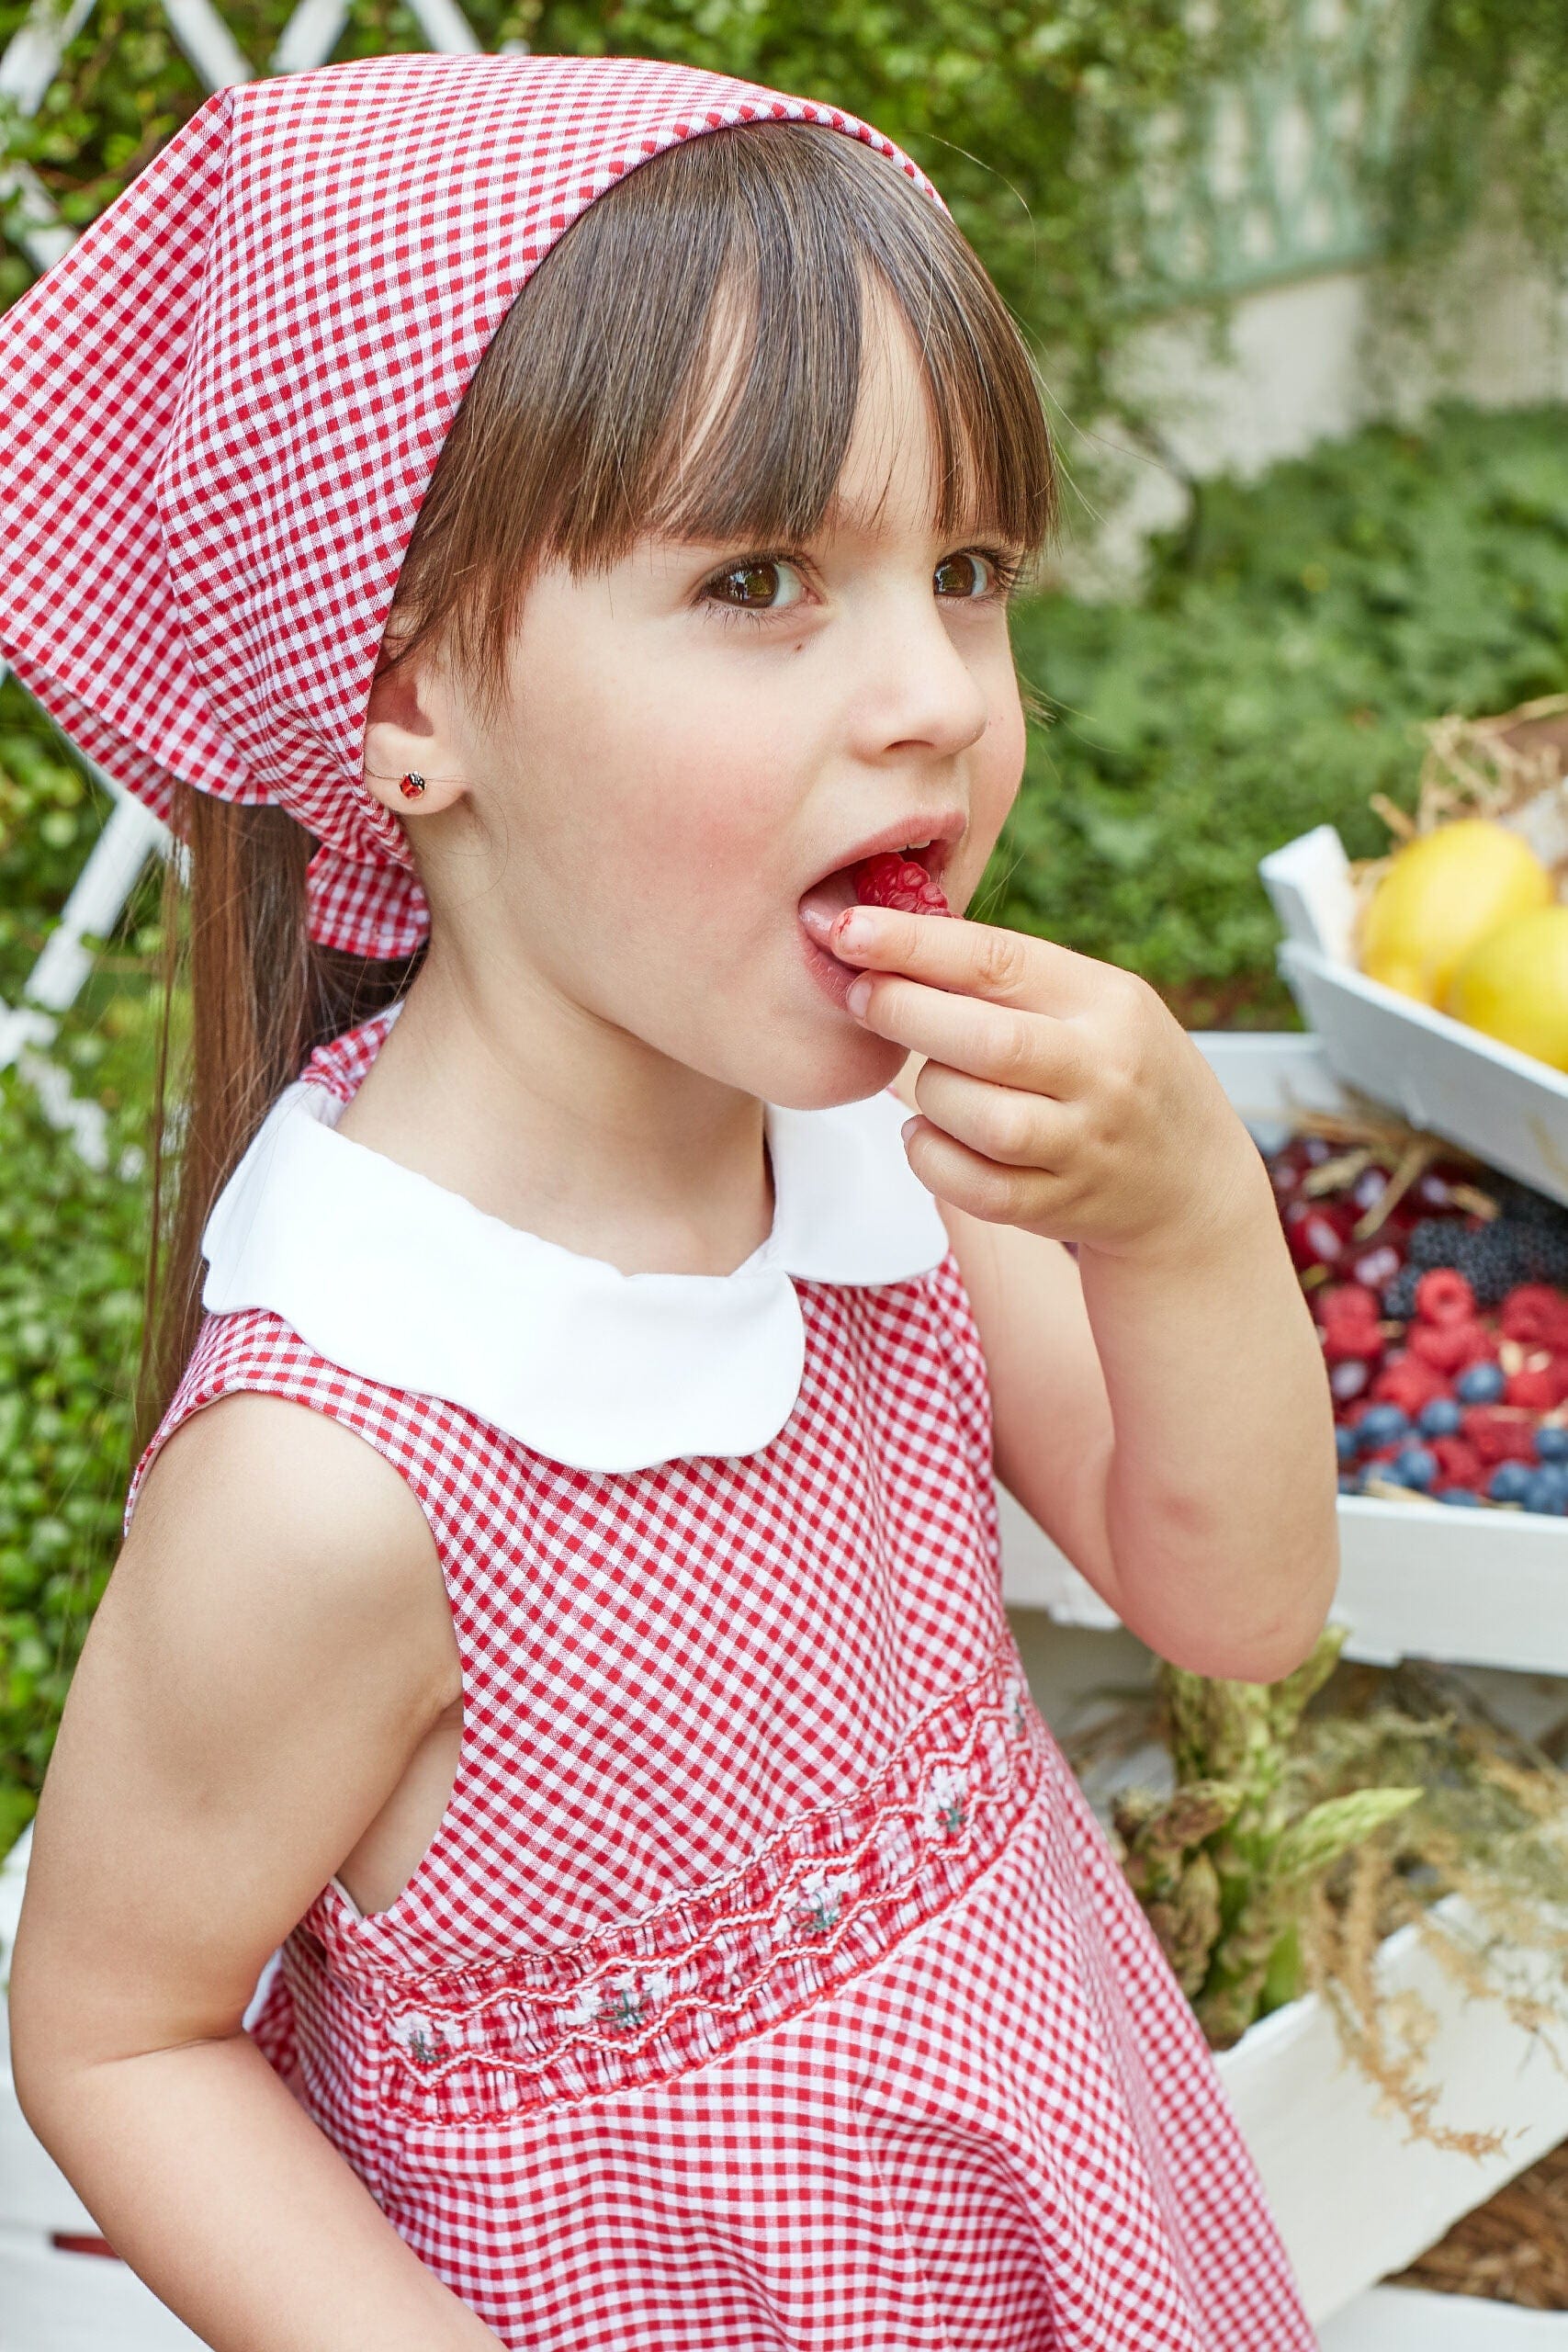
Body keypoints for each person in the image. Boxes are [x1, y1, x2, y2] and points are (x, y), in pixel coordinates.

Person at [0, 48, 1337, 2352]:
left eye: (968, 569)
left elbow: (1231, 1603)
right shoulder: (337, 1478)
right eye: (757, 576)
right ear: (406, 683)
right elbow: (116, 2032)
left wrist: (1183, 1215)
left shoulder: (886, 1158)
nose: (932, 688)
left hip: (1059, 2196)